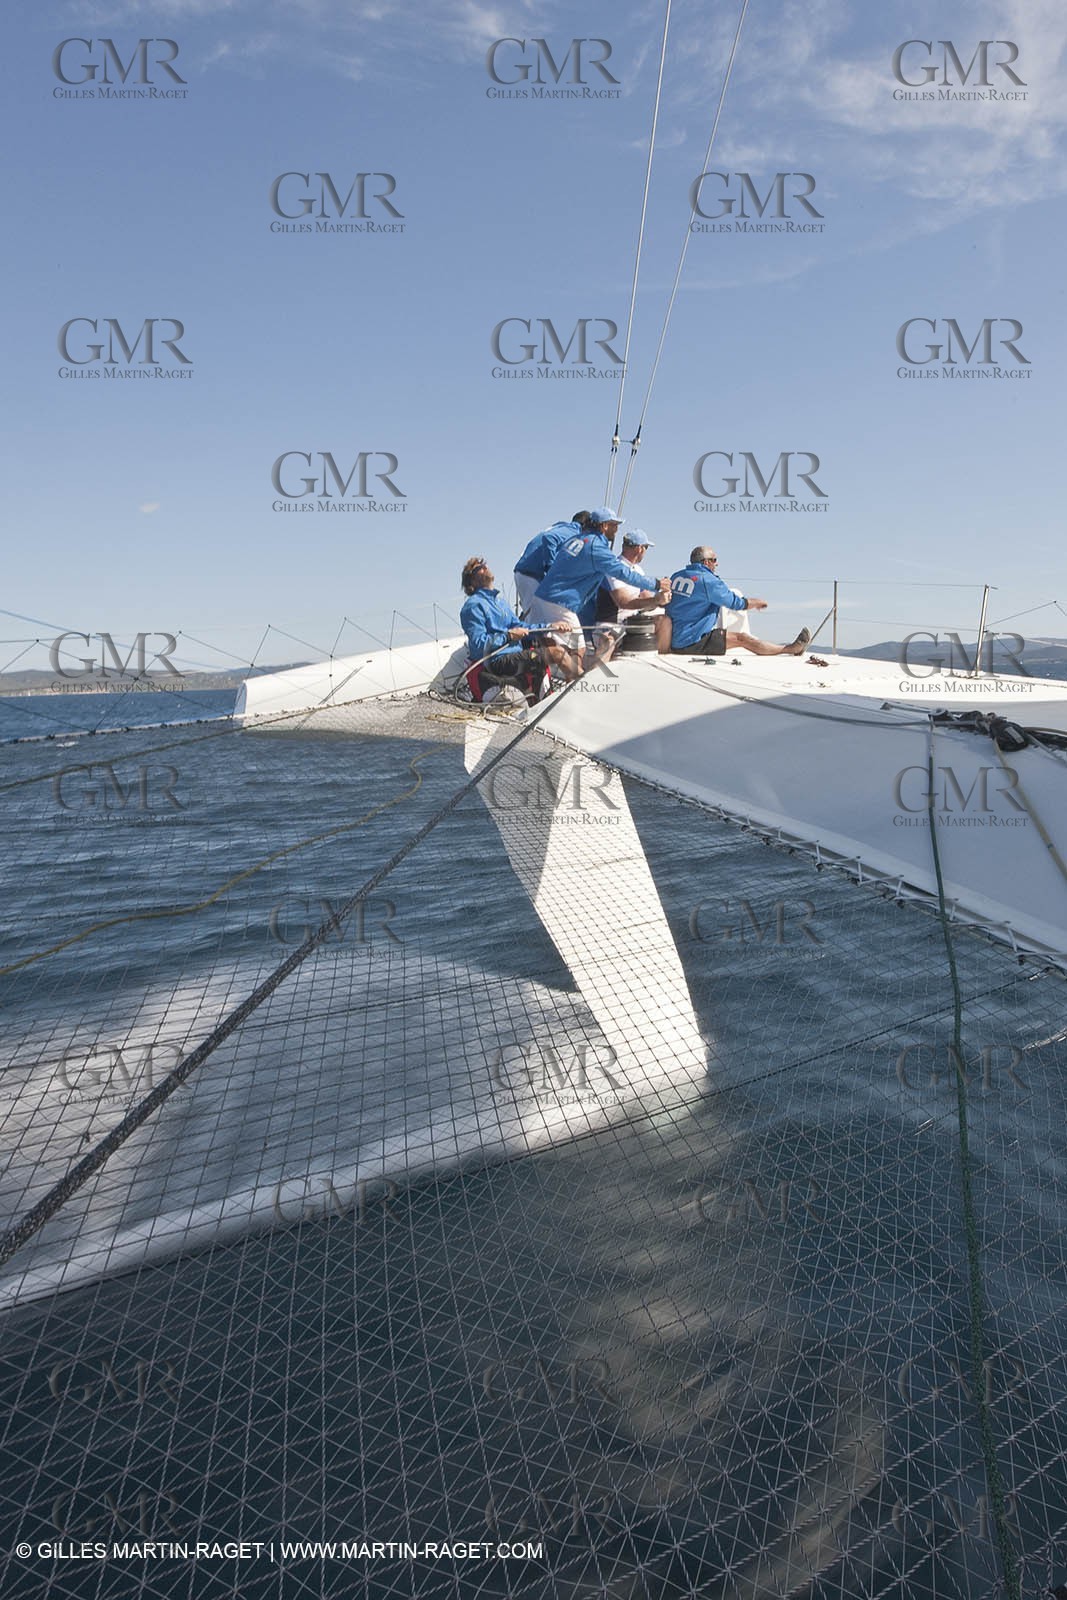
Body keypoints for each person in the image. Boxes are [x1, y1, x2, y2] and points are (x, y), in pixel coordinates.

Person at [527, 510, 670, 665]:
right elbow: (623, 575)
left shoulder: (577, 539)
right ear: (604, 526)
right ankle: (580, 683)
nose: (617, 530)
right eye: (614, 525)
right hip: (560, 602)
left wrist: (657, 599)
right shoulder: (597, 549)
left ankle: (540, 666)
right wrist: (656, 584)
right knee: (578, 650)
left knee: (550, 642)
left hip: (544, 596)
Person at [459, 556, 582, 700]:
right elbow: (478, 645)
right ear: (471, 581)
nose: (485, 567)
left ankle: (544, 699)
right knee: (557, 653)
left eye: (485, 564)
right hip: (498, 660)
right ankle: (588, 688)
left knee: (549, 643)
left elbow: (520, 627)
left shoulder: (500, 603)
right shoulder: (473, 606)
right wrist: (509, 636)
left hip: (514, 656)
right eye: (479, 568)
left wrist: (550, 627)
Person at [658, 547, 811, 657]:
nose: (716, 564)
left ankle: (789, 649)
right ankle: (790, 649)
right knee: (743, 639)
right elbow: (735, 603)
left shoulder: (676, 576)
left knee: (741, 638)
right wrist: (755, 602)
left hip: (673, 638)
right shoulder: (708, 581)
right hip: (691, 642)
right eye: (714, 560)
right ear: (706, 562)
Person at [513, 512, 593, 616]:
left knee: (535, 615)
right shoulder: (573, 531)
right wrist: (551, 568)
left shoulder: (561, 527)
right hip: (531, 574)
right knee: (538, 617)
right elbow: (549, 538)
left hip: (526, 573)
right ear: (585, 525)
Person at [595, 530, 665, 625]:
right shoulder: (613, 569)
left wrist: (662, 598)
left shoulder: (638, 570)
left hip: (631, 621)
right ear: (639, 549)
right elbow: (624, 602)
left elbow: (646, 597)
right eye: (646, 547)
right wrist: (656, 600)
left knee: (664, 617)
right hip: (612, 625)